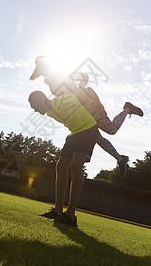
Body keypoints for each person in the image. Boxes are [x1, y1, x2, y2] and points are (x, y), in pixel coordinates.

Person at [30, 56, 144, 176]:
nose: (42, 74)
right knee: (95, 136)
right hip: (79, 109)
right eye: (40, 70)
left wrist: (79, 94)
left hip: (88, 104)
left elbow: (85, 77)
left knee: (111, 129)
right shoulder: (49, 81)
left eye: (42, 69)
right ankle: (121, 159)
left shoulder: (61, 74)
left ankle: (127, 109)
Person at [28, 90, 101, 227]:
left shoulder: (61, 101)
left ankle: (71, 215)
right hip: (75, 132)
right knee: (61, 166)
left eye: (35, 107)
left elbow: (76, 93)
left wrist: (82, 85)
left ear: (41, 100)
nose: (36, 111)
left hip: (88, 129)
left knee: (75, 165)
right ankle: (58, 210)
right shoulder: (49, 111)